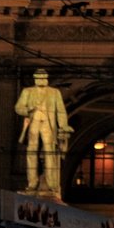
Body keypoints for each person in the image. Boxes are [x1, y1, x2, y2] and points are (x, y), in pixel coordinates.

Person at [14, 69, 72, 199]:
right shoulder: (27, 91)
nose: (41, 80)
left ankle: (51, 183)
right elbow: (18, 108)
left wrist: (63, 126)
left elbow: (61, 111)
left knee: (49, 152)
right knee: (31, 153)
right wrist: (29, 109)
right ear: (35, 78)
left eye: (43, 77)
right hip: (33, 123)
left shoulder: (54, 92)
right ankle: (32, 183)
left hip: (48, 125)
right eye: (39, 78)